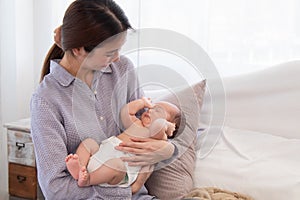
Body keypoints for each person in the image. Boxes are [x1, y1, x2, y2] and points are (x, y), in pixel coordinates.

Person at [30, 0, 177, 199]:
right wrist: (126, 189)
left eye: (119, 49)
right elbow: (56, 190)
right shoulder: (46, 101)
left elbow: (149, 130)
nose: (117, 58)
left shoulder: (123, 70)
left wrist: (168, 150)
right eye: (110, 52)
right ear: (78, 49)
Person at [65, 97, 181, 189]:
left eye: (158, 110)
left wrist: (165, 126)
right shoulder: (136, 123)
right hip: (99, 155)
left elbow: (158, 126)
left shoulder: (158, 138)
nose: (150, 110)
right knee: (89, 143)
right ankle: (80, 168)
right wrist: (142, 102)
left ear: (169, 126)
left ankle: (88, 180)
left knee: (117, 165)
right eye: (152, 107)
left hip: (119, 171)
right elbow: (126, 112)